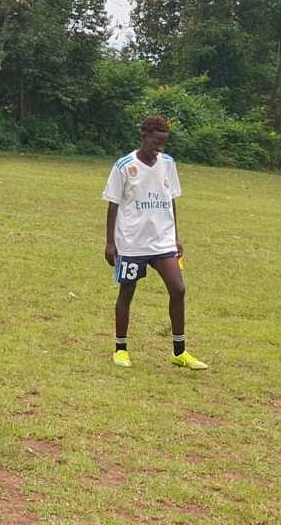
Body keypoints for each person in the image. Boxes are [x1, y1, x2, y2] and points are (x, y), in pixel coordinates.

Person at [103, 115, 208, 370]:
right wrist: (110, 243)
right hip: (132, 242)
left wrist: (175, 236)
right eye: (155, 142)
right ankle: (121, 349)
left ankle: (179, 352)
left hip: (162, 242)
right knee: (127, 292)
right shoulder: (124, 166)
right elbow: (113, 205)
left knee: (178, 289)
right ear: (144, 137)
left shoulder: (168, 163)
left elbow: (170, 198)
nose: (159, 148)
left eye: (163, 143)